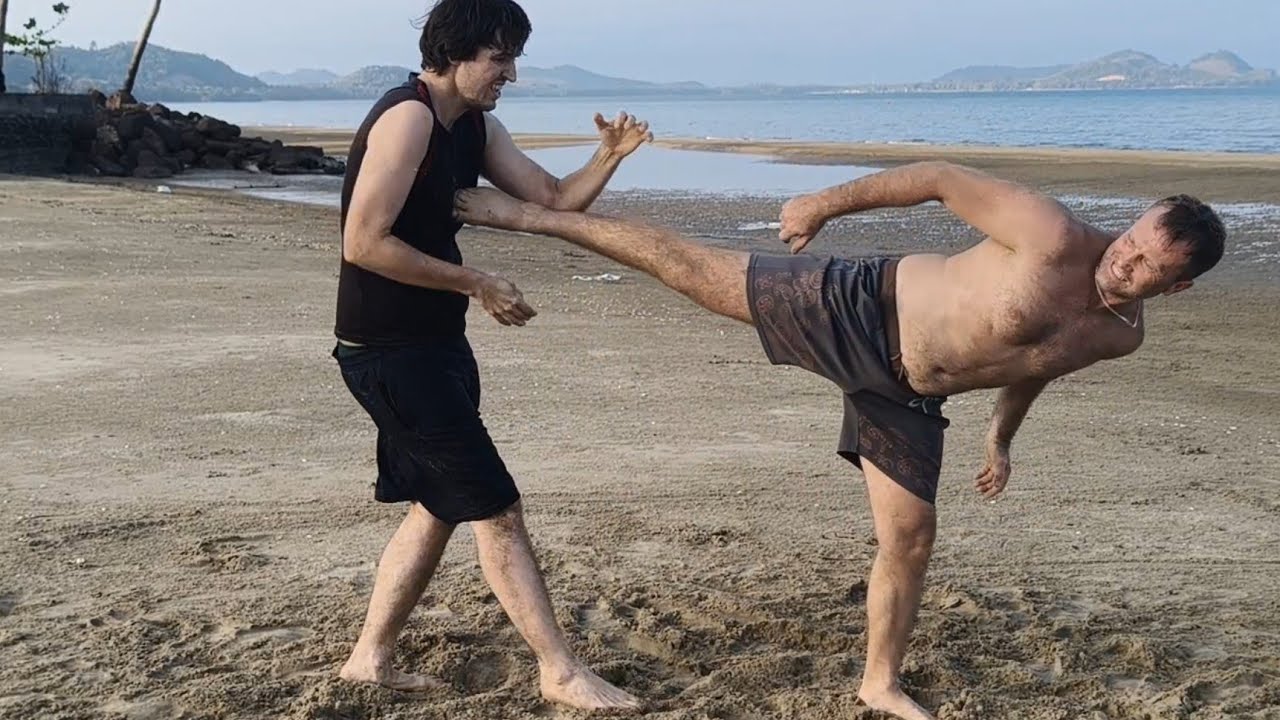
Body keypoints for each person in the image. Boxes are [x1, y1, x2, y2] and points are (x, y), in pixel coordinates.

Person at [452, 162, 1226, 720]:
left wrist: (1001, 439)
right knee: (687, 268)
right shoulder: (1053, 234)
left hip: (909, 397)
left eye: (1147, 266)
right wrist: (824, 202)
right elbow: (939, 177)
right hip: (855, 309)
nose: (1123, 261)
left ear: (1178, 286)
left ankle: (878, 683)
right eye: (1130, 240)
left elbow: (1035, 365)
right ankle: (531, 216)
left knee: (913, 537)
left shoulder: (1121, 337)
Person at [330, 0, 652, 710]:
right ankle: (559, 670)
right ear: (455, 50)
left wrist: (608, 156)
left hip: (434, 346)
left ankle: (368, 658)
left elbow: (554, 198)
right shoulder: (408, 118)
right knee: (496, 508)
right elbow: (363, 243)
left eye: (513, 59)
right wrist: (475, 280)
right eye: (499, 58)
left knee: (438, 504)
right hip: (388, 353)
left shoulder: (473, 126)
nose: (509, 73)